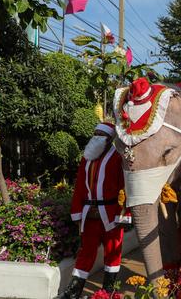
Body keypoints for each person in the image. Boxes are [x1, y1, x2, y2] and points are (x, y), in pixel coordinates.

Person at [57, 123, 128, 299]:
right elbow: (79, 186)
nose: (96, 137)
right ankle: (73, 291)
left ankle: (108, 290)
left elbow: (124, 187)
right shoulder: (87, 157)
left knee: (113, 251)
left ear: (110, 138)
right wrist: (77, 212)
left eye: (100, 134)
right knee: (86, 251)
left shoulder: (118, 157)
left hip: (112, 212)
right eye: (94, 133)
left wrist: (124, 214)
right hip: (89, 213)